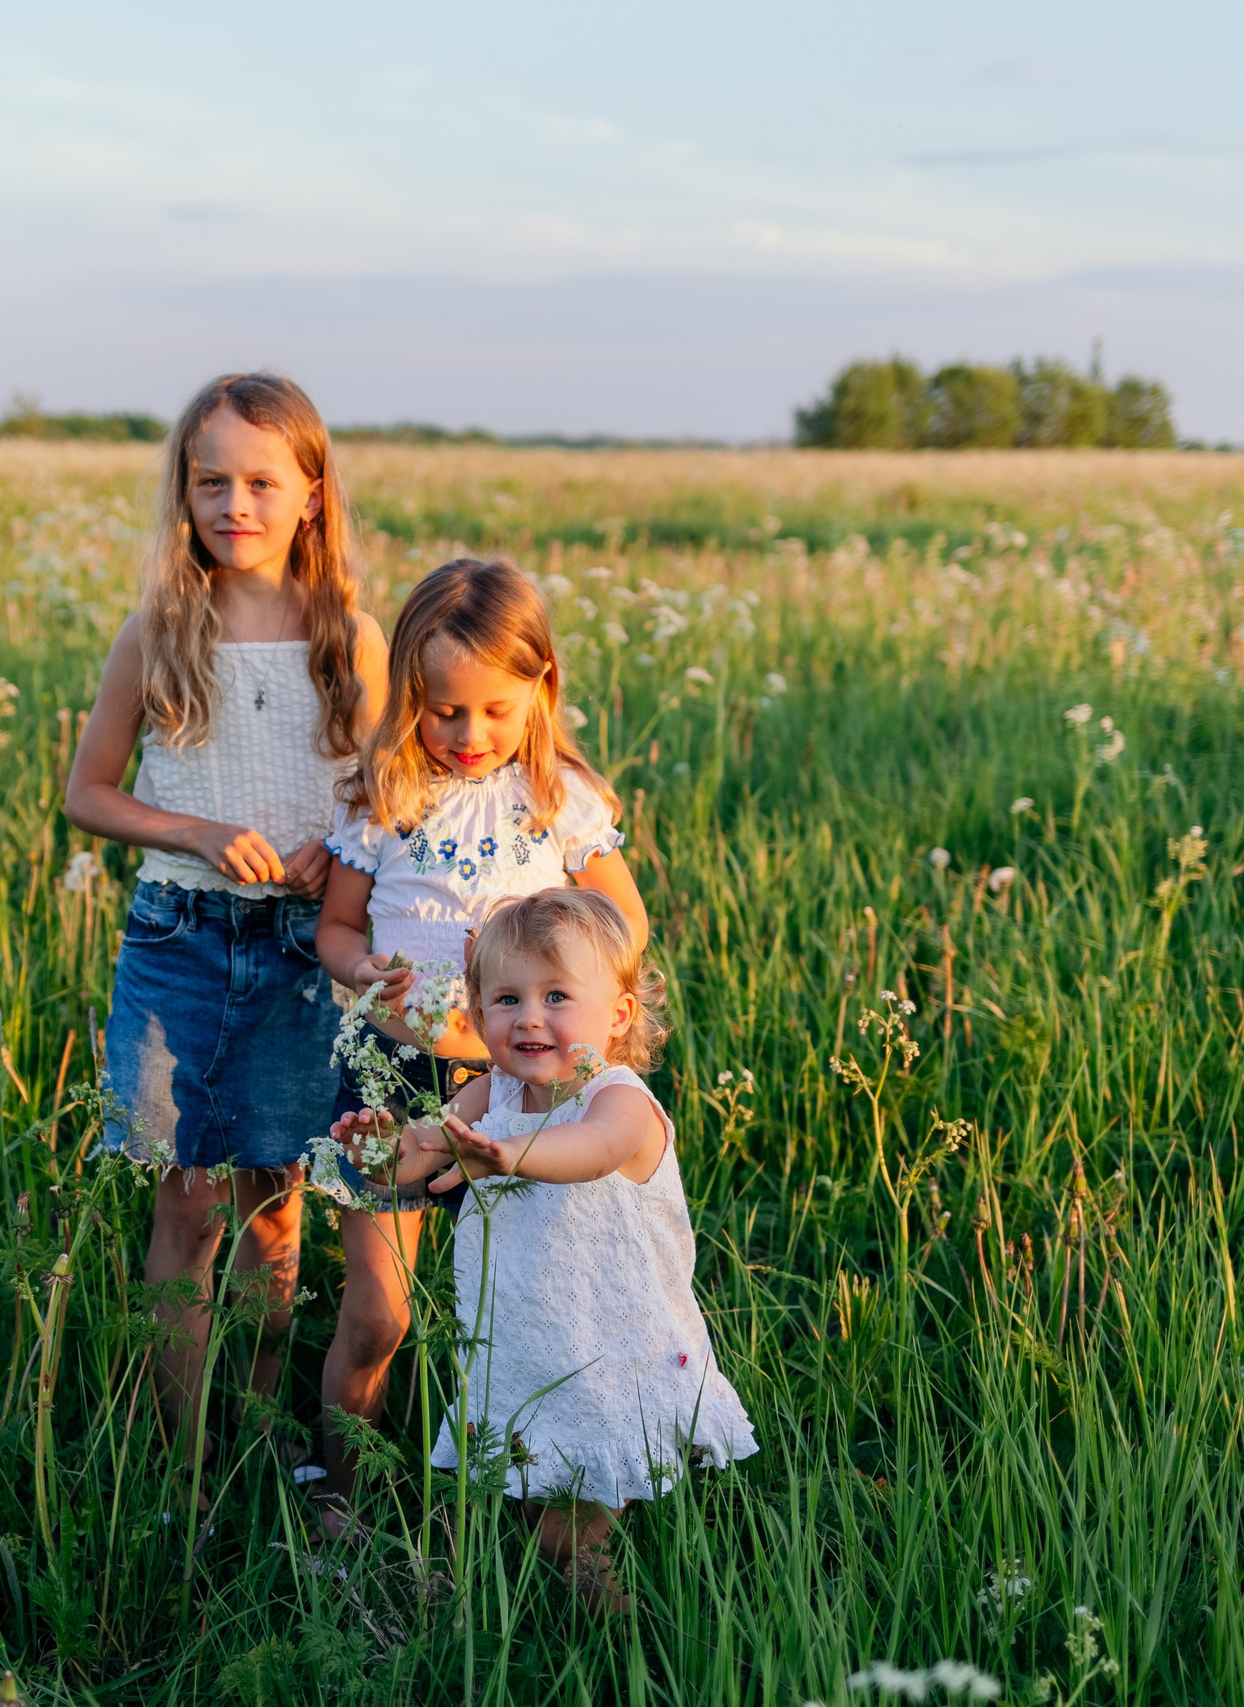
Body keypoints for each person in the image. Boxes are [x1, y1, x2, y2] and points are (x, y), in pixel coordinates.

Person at [63, 372, 386, 1461]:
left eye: (261, 481)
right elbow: (88, 793)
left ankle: (258, 1432)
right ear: (185, 492)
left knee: (275, 1204)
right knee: (187, 1206)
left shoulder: (349, 636)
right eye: (211, 482)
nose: (234, 504)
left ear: (311, 494)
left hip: (303, 949)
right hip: (181, 941)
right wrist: (195, 831)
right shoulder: (158, 632)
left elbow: (385, 796)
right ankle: (184, 1459)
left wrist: (336, 845)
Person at [308, 558, 646, 1531]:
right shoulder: (383, 794)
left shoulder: (556, 795)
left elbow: (626, 923)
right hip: (391, 1069)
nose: (467, 734)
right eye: (442, 710)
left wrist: (561, 979)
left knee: (525, 1306)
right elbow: (336, 928)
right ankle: (341, 1492)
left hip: (521, 1084)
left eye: (494, 710)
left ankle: (544, 1505)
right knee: (379, 1311)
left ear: (540, 687)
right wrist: (360, 967)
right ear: (408, 694)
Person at [369, 887, 756, 1611]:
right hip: (529, 1340)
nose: (529, 1017)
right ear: (477, 1012)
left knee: (566, 1536)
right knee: (533, 1495)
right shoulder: (492, 1093)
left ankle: (629, 1638)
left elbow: (591, 1150)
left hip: (612, 1347)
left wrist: (507, 1154)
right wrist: (385, 1146)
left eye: (556, 996)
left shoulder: (620, 1100)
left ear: (618, 1014)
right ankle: (578, 1617)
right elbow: (426, 1150)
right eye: (506, 998)